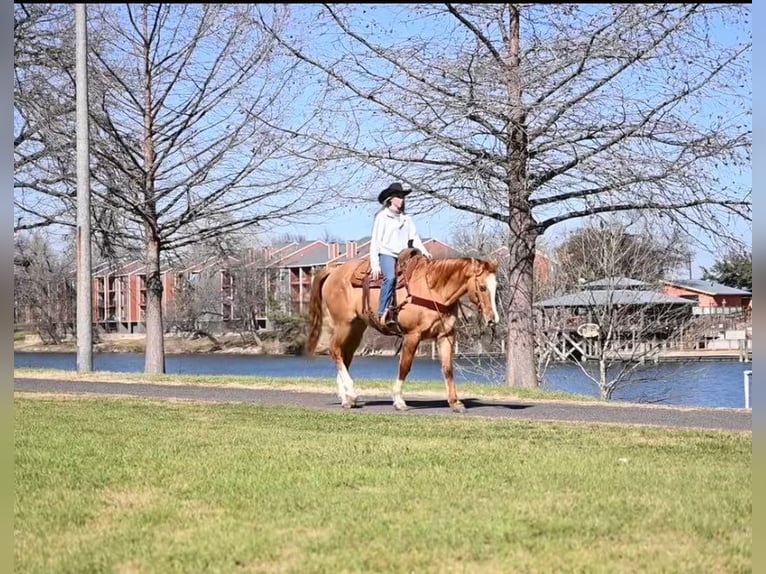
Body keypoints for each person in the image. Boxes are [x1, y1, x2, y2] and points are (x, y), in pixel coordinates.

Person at [369, 182, 432, 327]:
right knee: (390, 278)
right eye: (398, 197)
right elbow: (375, 241)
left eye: (403, 197)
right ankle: (383, 311)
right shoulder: (382, 217)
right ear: (390, 199)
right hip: (387, 253)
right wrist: (375, 265)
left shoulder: (407, 218)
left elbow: (414, 238)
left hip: (405, 255)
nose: (402, 200)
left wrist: (425, 251)